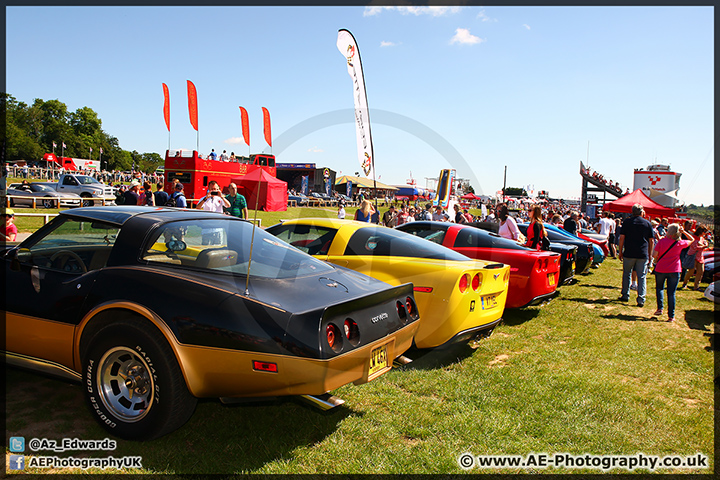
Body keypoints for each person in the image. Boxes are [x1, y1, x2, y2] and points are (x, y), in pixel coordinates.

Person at [652, 223, 694, 322]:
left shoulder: (662, 241)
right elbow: (692, 240)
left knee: (659, 288)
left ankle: (660, 308)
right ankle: (671, 316)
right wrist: (684, 232)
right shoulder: (680, 243)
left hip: (661, 268)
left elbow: (654, 255)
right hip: (674, 269)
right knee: (671, 293)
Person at [617, 204, 655, 307]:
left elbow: (622, 238)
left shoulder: (627, 222)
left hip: (629, 252)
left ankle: (625, 294)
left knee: (626, 274)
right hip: (642, 253)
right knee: (641, 276)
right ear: (642, 212)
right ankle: (641, 298)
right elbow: (651, 240)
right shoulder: (647, 223)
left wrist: (620, 251)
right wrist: (650, 254)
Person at [681, 226, 708, 291]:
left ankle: (696, 286)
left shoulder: (702, 238)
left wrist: (705, 245)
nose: (705, 233)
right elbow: (695, 247)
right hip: (693, 255)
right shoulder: (694, 237)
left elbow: (703, 244)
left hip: (700, 256)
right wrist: (704, 246)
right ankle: (685, 283)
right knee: (691, 271)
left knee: (700, 271)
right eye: (704, 232)